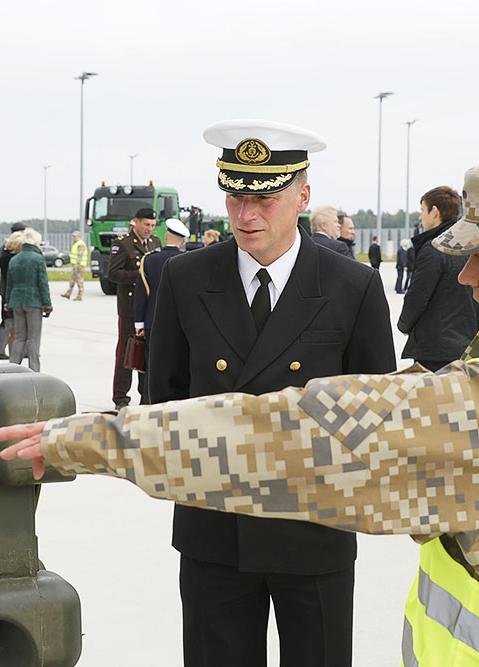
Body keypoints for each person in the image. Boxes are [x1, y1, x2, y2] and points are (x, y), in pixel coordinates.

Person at [0, 144, 479, 666]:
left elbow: (271, 440)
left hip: (308, 547)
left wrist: (77, 441)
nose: (463, 275)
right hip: (217, 546)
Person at [144, 120, 394, 667]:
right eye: (234, 196)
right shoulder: (185, 279)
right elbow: (163, 401)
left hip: (314, 531)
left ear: (303, 195)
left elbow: (376, 414)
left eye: (265, 197)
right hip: (215, 530)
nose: (245, 214)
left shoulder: (352, 285)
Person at [397, 185, 479, 372]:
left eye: (422, 211)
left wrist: (404, 324)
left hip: (435, 350)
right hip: (467, 345)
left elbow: (417, 295)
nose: (421, 217)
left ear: (434, 212)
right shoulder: (471, 246)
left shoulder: (435, 248)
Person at [107, 207, 161, 408]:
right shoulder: (123, 244)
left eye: (153, 225)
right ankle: (120, 396)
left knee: (148, 352)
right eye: (146, 224)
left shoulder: (155, 242)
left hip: (150, 307)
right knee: (126, 352)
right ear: (135, 222)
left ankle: (145, 394)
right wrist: (140, 277)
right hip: (130, 307)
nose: (149, 229)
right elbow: (113, 273)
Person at [133, 218, 189, 403]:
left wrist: (139, 323)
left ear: (165, 237)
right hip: (180, 323)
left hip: (152, 321)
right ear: (182, 241)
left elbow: (142, 293)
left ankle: (148, 402)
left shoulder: (149, 260)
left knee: (152, 366)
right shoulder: (187, 261)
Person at [5, 228, 52, 372]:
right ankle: (34, 370)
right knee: (33, 338)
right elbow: (42, 283)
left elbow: (9, 283)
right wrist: (47, 303)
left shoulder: (15, 259)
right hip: (33, 302)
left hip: (16, 301)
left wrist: (8, 301)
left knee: (20, 337)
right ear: (35, 242)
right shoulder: (38, 259)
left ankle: (12, 368)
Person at [0, 223, 27, 360]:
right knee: (8, 321)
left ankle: (16, 349)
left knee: (13, 321)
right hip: (8, 289)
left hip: (8, 288)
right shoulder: (7, 249)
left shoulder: (6, 247)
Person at [60, 230, 88, 301]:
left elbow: (80, 255)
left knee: (79, 279)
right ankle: (68, 293)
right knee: (72, 279)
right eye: (73, 236)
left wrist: (77, 264)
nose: (74, 237)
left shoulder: (80, 244)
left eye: (75, 236)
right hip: (75, 264)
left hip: (79, 265)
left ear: (79, 236)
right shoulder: (76, 243)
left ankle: (80, 295)